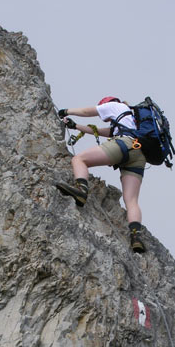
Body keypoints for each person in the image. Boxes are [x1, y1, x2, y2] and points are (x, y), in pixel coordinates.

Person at [56, 96, 147, 253]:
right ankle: (136, 237)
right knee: (131, 201)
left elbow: (87, 111)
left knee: (79, 159)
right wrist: (76, 126)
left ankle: (81, 191)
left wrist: (66, 111)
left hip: (124, 144)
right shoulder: (130, 119)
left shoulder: (113, 106)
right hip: (139, 155)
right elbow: (104, 132)